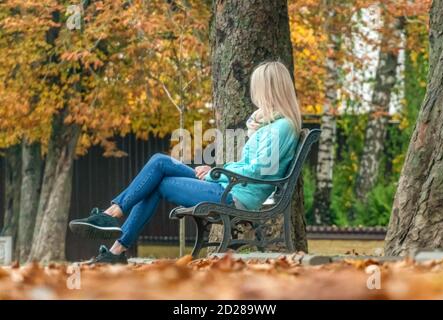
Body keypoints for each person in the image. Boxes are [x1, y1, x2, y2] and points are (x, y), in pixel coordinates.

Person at [69, 61, 303, 264]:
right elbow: (250, 166)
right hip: (229, 187)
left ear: (270, 89)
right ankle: (114, 233)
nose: (255, 94)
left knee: (159, 173)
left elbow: (258, 170)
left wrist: (216, 173)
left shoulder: (281, 128)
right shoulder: (271, 125)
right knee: (159, 164)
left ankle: (114, 227)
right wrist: (214, 171)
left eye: (258, 88)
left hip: (235, 196)